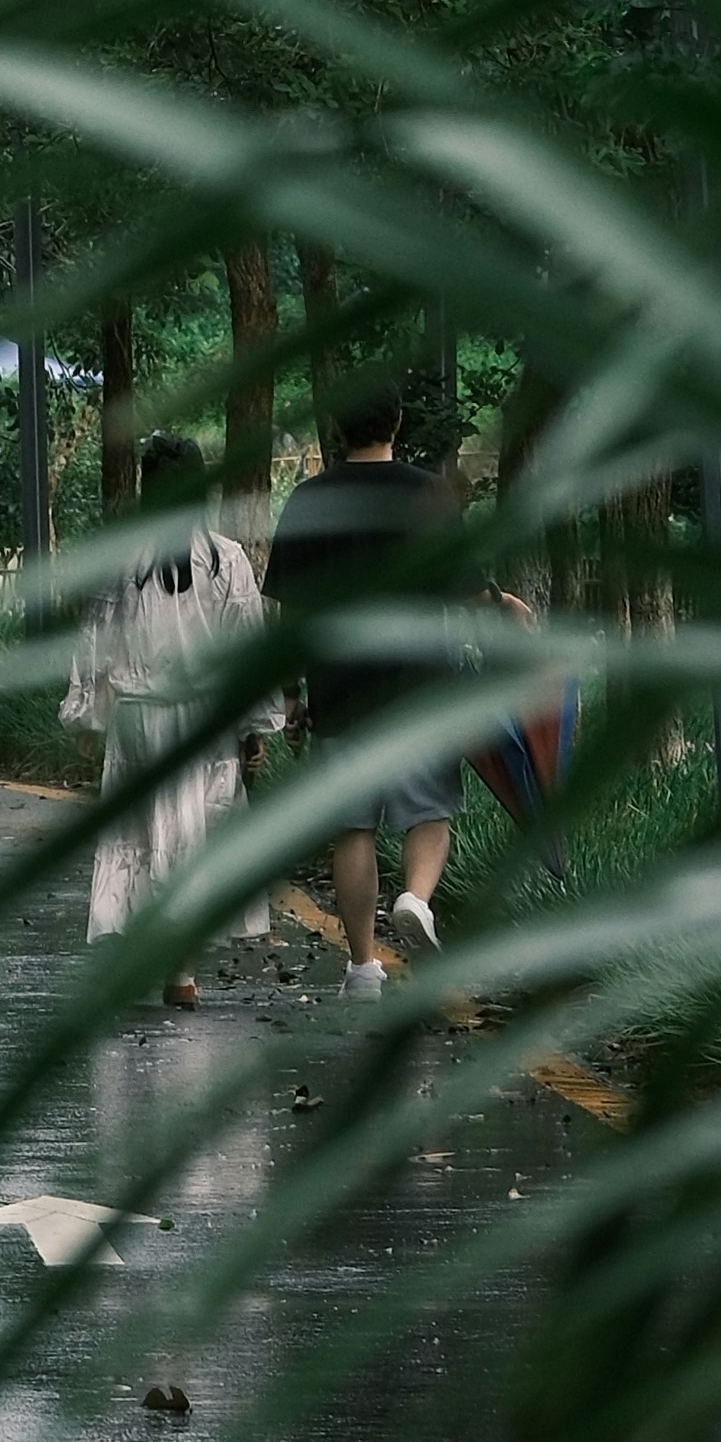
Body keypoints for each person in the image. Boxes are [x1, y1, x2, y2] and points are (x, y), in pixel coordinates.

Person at [62, 434, 274, 1004]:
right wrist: (252, 726)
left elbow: (95, 645)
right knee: (192, 837)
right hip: (204, 724)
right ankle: (180, 969)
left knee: (139, 836)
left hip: (137, 719)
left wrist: (89, 717)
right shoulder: (226, 560)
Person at [266, 381, 457, 991]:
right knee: (430, 810)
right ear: (396, 424)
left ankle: (361, 967)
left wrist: (291, 694)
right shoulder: (429, 492)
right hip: (422, 682)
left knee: (353, 827)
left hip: (340, 687)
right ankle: (417, 900)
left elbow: (290, 615)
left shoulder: (308, 500)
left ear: (337, 429)